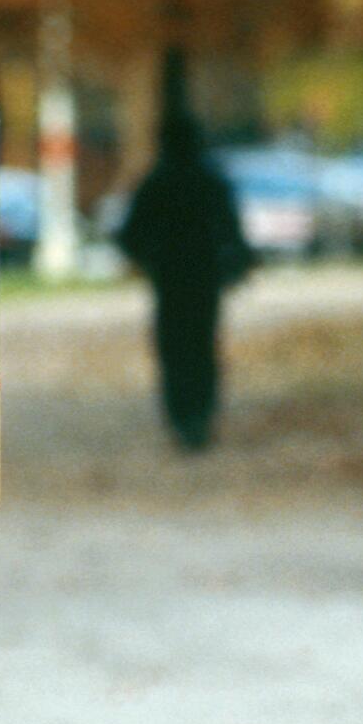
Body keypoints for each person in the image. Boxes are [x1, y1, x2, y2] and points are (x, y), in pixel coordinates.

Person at [116, 48, 255, 451]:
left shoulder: (156, 183)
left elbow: (129, 234)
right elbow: (232, 229)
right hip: (204, 275)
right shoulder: (211, 181)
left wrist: (148, 259)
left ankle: (182, 416)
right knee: (202, 345)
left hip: (170, 277)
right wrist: (236, 263)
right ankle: (200, 414)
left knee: (174, 349)